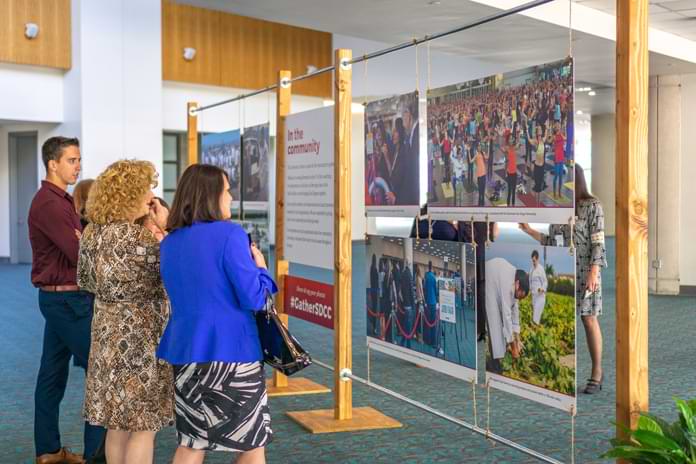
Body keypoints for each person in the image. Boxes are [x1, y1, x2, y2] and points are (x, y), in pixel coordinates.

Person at [157, 164, 276, 464]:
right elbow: (254, 298)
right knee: (251, 444)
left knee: (191, 443)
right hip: (232, 354)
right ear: (210, 196)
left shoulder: (170, 242)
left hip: (185, 352)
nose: (231, 196)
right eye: (226, 190)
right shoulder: (230, 235)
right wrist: (261, 269)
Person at [78, 160, 174, 464]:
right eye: (146, 189)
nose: (150, 196)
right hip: (141, 342)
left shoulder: (93, 233)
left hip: (107, 336)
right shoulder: (140, 239)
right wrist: (167, 227)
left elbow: (84, 280)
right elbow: (176, 275)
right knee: (143, 428)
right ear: (129, 193)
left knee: (116, 426)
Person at [28, 136, 106, 464]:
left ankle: (48, 451)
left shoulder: (60, 200)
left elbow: (80, 245)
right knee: (101, 373)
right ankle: (97, 455)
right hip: (68, 302)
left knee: (52, 375)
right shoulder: (50, 203)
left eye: (78, 160)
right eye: (72, 160)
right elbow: (80, 254)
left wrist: (84, 240)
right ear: (53, 164)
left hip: (61, 300)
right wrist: (86, 242)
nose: (78, 166)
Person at [519, 163, 607, 394]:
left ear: (573, 179)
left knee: (589, 319)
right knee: (570, 318)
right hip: (567, 266)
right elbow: (551, 241)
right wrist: (529, 230)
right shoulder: (557, 209)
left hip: (587, 270)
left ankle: (597, 373)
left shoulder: (592, 205)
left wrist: (594, 272)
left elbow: (598, 242)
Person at [485, 258, 529, 373]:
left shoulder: (515, 283)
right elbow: (507, 317)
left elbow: (515, 313)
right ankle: (494, 365)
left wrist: (518, 339)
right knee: (495, 326)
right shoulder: (507, 283)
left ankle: (495, 362)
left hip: (495, 280)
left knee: (500, 332)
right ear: (518, 284)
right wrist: (514, 348)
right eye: (521, 296)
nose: (520, 299)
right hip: (488, 281)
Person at [529, 250, 548, 325]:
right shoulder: (531, 270)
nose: (533, 262)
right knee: (535, 317)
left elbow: (545, 281)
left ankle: (536, 331)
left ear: (537, 259)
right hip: (534, 297)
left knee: (535, 317)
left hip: (540, 297)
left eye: (534, 261)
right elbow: (530, 282)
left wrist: (542, 289)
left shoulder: (541, 269)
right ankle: (536, 331)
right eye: (532, 261)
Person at [423, 261, 439, 348]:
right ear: (432, 267)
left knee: (427, 322)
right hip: (433, 302)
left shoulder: (426, 277)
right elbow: (436, 291)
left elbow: (424, 289)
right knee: (433, 323)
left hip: (427, 302)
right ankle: (433, 342)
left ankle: (427, 340)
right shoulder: (433, 277)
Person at [369, 254, 379, 337]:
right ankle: (375, 327)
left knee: (372, 308)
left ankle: (373, 325)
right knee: (375, 309)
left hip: (372, 291)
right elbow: (377, 280)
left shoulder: (371, 268)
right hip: (375, 292)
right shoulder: (375, 269)